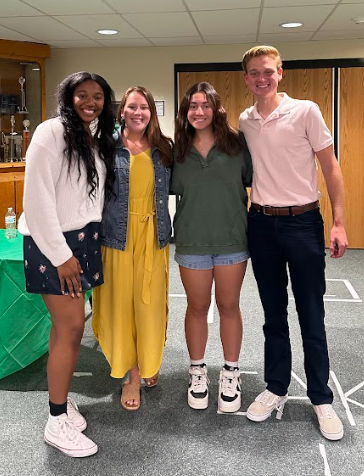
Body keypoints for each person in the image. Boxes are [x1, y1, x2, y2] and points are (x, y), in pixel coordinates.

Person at [239, 45, 348, 440]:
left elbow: (330, 167)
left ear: (280, 72)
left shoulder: (306, 111)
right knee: (273, 314)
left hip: (303, 223)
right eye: (253, 72)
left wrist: (338, 223)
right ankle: (276, 387)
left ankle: (321, 397)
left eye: (267, 70)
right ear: (247, 78)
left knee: (310, 313)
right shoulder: (245, 120)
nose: (261, 78)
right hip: (261, 224)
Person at [18, 72, 116, 457]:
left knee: (65, 329)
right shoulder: (49, 132)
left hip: (82, 240)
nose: (90, 102)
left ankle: (58, 404)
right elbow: (37, 200)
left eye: (97, 97)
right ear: (68, 97)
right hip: (54, 244)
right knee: (73, 326)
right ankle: (57, 421)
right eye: (82, 95)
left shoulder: (92, 139)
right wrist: (61, 256)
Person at [171, 82, 252, 413]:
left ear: (217, 108)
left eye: (205, 105)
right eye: (192, 106)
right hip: (192, 242)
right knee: (197, 307)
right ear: (185, 112)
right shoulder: (176, 149)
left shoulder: (238, 144)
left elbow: (259, 182)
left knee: (229, 305)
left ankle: (231, 372)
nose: (199, 111)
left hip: (232, 240)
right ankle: (198, 370)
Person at [92, 86, 172, 411]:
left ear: (151, 112)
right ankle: (133, 374)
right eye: (132, 107)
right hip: (118, 238)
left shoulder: (164, 149)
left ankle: (149, 362)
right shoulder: (106, 149)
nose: (138, 113)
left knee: (150, 306)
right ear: (121, 111)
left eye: (144, 107)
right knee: (122, 307)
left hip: (153, 237)